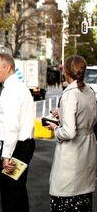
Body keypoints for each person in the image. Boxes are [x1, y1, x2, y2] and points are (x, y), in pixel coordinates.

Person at [45, 55, 97, 212]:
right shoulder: (89, 91)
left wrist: (56, 130)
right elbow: (87, 118)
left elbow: (69, 132)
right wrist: (62, 113)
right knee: (83, 201)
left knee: (65, 200)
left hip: (71, 159)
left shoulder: (69, 94)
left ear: (66, 71)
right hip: (87, 153)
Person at [0, 53, 35, 212]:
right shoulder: (19, 86)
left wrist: (6, 156)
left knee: (11, 194)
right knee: (17, 192)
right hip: (23, 146)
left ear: (8, 67)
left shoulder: (12, 90)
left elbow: (12, 126)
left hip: (16, 148)